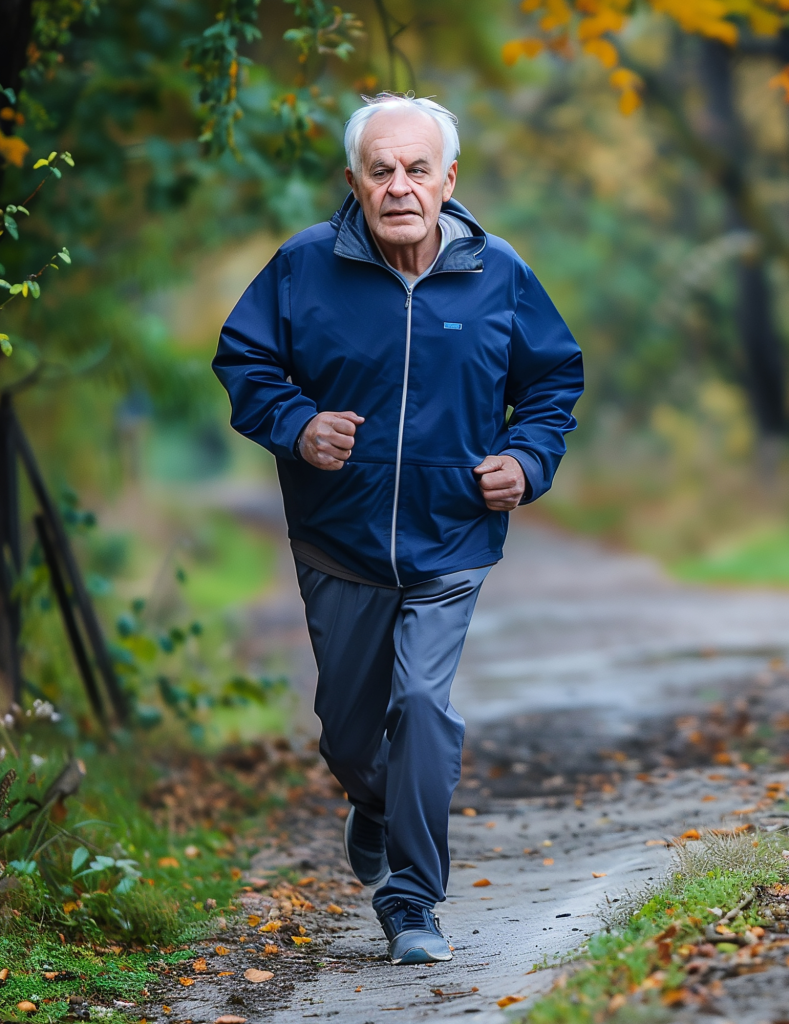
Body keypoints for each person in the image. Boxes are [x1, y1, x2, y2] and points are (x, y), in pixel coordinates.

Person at [213, 93, 583, 965]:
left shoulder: (498, 273)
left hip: (451, 539)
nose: (399, 186)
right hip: (338, 540)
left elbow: (552, 382)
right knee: (349, 736)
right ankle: (374, 799)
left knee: (421, 704)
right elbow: (245, 359)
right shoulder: (304, 266)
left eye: (417, 169)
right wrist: (299, 425)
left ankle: (411, 900)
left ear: (448, 179)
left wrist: (527, 460)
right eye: (380, 170)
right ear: (354, 181)